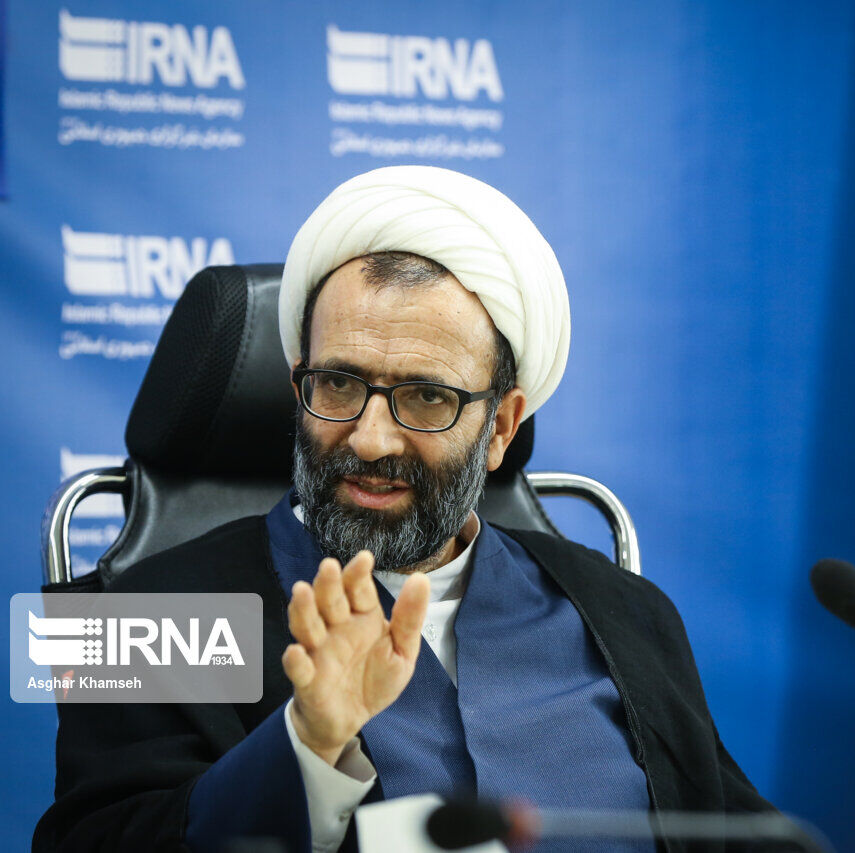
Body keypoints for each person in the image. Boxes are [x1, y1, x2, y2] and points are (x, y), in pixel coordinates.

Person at [33, 167, 777, 853]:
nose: (370, 437)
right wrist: (307, 746)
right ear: (298, 385)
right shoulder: (138, 615)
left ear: (502, 427)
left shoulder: (629, 614)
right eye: (338, 384)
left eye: (426, 396)